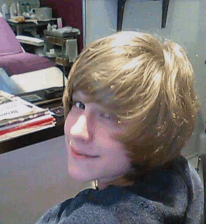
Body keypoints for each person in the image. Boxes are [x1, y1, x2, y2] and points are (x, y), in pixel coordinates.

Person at [36, 31, 203, 223]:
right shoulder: (182, 174)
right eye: (79, 104)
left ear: (155, 131)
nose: (77, 131)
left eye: (108, 116)